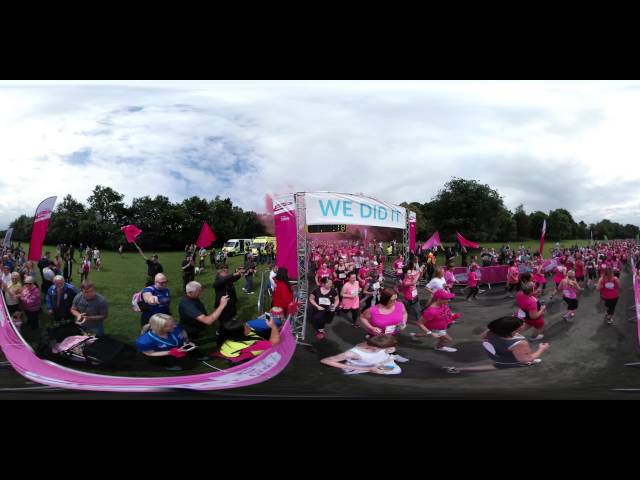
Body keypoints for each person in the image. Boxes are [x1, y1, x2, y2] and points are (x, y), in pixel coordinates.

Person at [444, 316, 550, 374]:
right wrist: (542, 349)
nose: (523, 324)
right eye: (521, 324)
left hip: (494, 352)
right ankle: (460, 369)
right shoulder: (520, 343)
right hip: (506, 360)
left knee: (498, 363)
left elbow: (482, 337)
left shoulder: (492, 330)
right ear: (515, 329)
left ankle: (458, 369)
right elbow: (526, 359)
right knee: (526, 361)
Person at [320, 335, 404, 375]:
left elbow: (388, 347)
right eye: (390, 347)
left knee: (397, 370)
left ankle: (378, 367)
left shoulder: (378, 342)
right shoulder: (353, 353)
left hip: (380, 362)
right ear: (379, 346)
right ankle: (370, 370)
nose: (392, 349)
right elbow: (325, 361)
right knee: (396, 370)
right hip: (361, 367)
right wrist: (366, 369)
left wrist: (390, 351)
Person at [217, 316, 281, 364]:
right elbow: (274, 342)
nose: (248, 325)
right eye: (246, 327)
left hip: (232, 355)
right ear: (240, 334)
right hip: (249, 361)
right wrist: (273, 326)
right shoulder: (250, 345)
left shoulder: (225, 336)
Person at [213, 265, 245, 344]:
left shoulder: (226, 279)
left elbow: (233, 279)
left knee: (229, 318)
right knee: (224, 320)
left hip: (229, 303)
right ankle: (222, 335)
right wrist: (233, 274)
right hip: (222, 305)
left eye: (227, 272)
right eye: (225, 272)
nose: (227, 273)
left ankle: (225, 330)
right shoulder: (217, 282)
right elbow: (224, 280)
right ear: (220, 273)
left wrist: (238, 274)